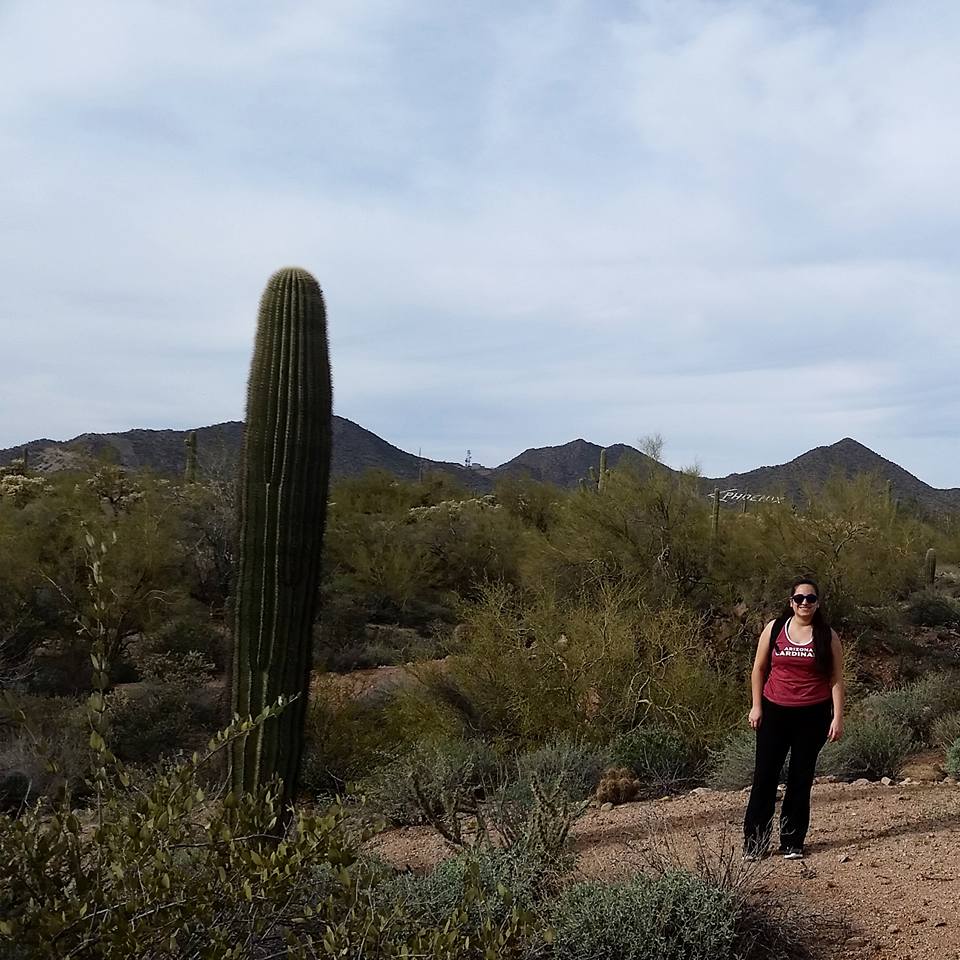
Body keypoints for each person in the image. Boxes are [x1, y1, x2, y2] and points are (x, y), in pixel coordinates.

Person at [742, 577, 844, 860]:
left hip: (812, 715)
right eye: (799, 599)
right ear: (791, 602)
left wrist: (837, 716)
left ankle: (792, 842)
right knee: (765, 777)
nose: (804, 603)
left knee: (801, 778)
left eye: (810, 599)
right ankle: (755, 844)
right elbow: (758, 669)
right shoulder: (774, 629)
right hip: (774, 711)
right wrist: (756, 706)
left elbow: (836, 678)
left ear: (817, 603)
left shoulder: (827, 635)